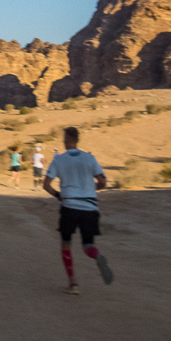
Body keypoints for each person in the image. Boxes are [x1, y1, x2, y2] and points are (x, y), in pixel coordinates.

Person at [43, 126, 113, 294]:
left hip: (69, 207)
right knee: (88, 245)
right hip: (90, 207)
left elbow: (46, 185)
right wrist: (90, 189)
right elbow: (103, 182)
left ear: (66, 140)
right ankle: (97, 256)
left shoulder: (59, 160)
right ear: (78, 139)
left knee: (66, 245)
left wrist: (58, 196)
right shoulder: (90, 158)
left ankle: (73, 284)